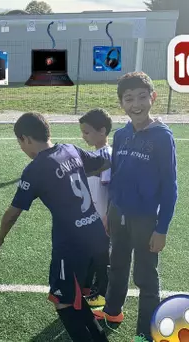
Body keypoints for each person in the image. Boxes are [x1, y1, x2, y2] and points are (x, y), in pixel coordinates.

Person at [0, 112, 111, 342]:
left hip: (71, 246)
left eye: (20, 143)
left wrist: (0, 237)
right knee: (75, 298)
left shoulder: (35, 169)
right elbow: (100, 164)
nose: (21, 148)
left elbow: (12, 213)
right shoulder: (70, 149)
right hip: (97, 237)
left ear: (25, 139)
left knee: (63, 302)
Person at [92, 71, 178, 340]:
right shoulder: (121, 135)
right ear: (122, 104)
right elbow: (116, 177)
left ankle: (146, 331)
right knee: (116, 266)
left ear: (153, 97)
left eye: (142, 96)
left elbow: (170, 187)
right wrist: (108, 212)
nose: (136, 104)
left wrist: (161, 228)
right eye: (129, 99)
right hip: (118, 214)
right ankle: (113, 311)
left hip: (144, 220)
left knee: (145, 276)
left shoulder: (162, 137)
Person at [78, 108, 113, 308]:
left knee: (102, 257)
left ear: (102, 131)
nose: (83, 136)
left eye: (87, 132)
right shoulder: (96, 155)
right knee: (93, 253)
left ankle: (103, 293)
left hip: (103, 218)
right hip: (94, 216)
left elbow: (110, 188)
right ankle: (89, 287)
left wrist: (107, 215)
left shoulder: (105, 156)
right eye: (82, 132)